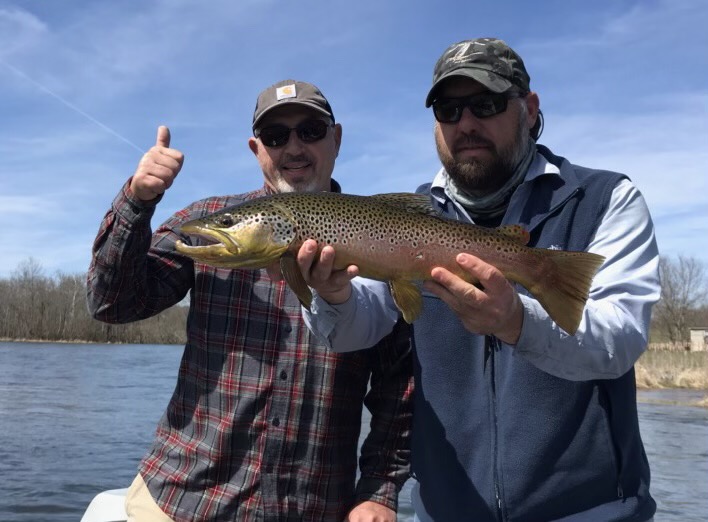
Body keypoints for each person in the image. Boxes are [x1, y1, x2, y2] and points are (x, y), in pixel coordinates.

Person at [297, 39, 660, 521]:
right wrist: (333, 295)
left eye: (486, 104)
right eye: (449, 109)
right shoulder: (405, 216)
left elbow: (621, 338)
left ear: (529, 110)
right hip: (446, 510)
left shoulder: (604, 199)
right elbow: (352, 331)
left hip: (588, 511)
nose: (466, 123)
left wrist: (517, 322)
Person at [87, 79, 414, 522]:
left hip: (310, 508)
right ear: (256, 148)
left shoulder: (385, 242)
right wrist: (137, 201)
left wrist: (380, 490)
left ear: (336, 138)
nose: (293, 147)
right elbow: (113, 305)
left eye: (310, 131)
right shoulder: (206, 224)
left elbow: (402, 386)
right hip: (179, 500)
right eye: (276, 136)